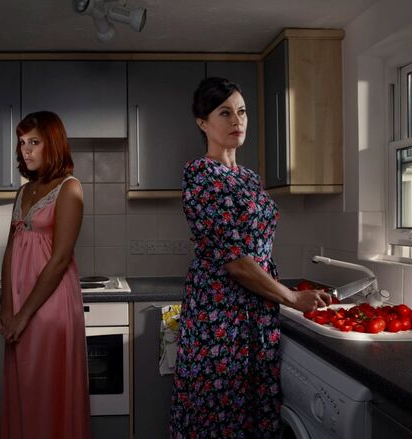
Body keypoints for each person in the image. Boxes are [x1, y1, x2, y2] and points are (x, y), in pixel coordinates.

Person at [169, 78, 332, 438]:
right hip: (221, 314)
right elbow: (235, 261)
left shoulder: (249, 178)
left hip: (257, 311)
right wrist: (292, 298)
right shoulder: (200, 174)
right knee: (220, 415)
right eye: (224, 113)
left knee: (253, 413)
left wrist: (280, 295)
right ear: (202, 122)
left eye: (241, 112)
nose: (237, 120)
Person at [0, 111, 91, 438]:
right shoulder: (22, 192)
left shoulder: (69, 188)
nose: (26, 150)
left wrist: (23, 315)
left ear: (53, 143)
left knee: (46, 389)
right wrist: (7, 307)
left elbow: (60, 258)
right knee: (25, 388)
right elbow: (10, 250)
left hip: (49, 305)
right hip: (19, 304)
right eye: (22, 142)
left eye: (34, 142)